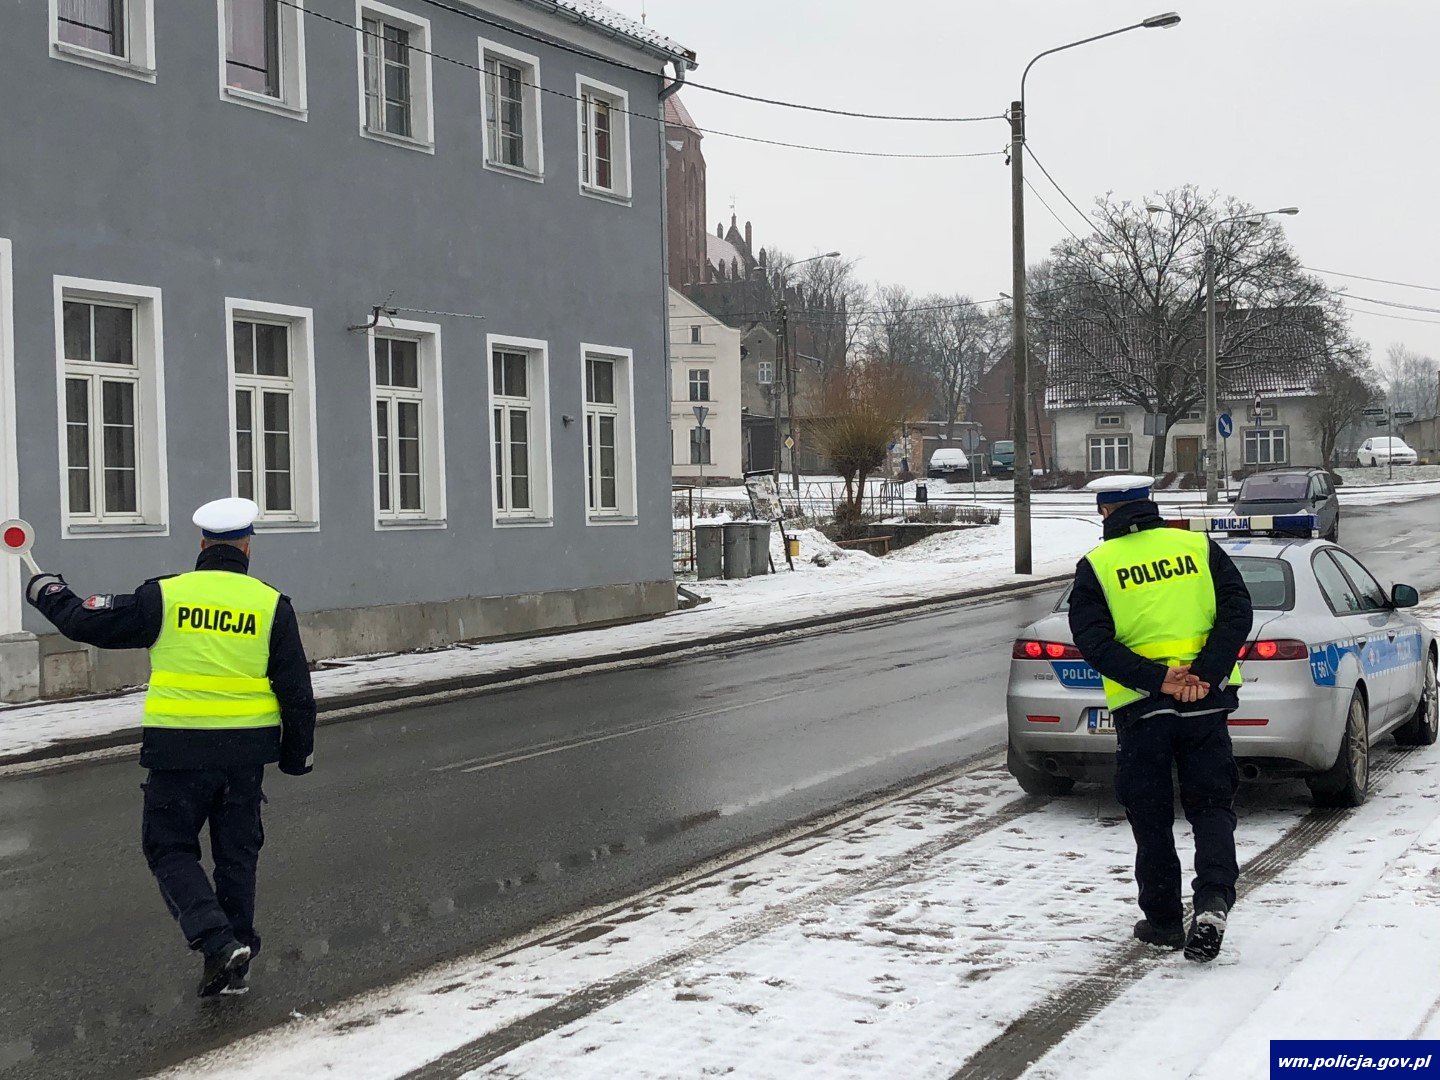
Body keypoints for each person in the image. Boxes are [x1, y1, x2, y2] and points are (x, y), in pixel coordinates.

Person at [26, 497, 315, 997]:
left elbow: (85, 622)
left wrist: (47, 590)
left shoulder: (164, 597)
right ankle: (236, 959)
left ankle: (218, 942)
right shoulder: (271, 605)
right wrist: (296, 755)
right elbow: (296, 691)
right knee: (237, 856)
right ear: (247, 547)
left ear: (202, 544)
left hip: (179, 752)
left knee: (169, 848)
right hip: (243, 757)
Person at [1067, 475, 1253, 963]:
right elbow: (1237, 611)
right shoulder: (1197, 547)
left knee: (1150, 815)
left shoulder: (1098, 565)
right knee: (1211, 806)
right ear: (1149, 504)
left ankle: (1165, 921)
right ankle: (1213, 901)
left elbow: (1094, 641)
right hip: (1205, 703)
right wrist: (1205, 674)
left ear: (1106, 512)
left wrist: (1157, 680)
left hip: (1143, 707)